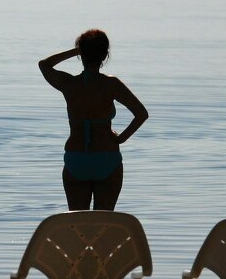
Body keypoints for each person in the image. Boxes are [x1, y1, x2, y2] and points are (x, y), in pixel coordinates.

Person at [40, 29, 147, 210]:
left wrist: (76, 51)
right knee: (104, 224)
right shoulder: (111, 84)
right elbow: (141, 114)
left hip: (77, 160)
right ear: (105, 55)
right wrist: (121, 138)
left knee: (78, 222)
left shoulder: (69, 84)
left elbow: (44, 65)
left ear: (82, 54)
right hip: (107, 158)